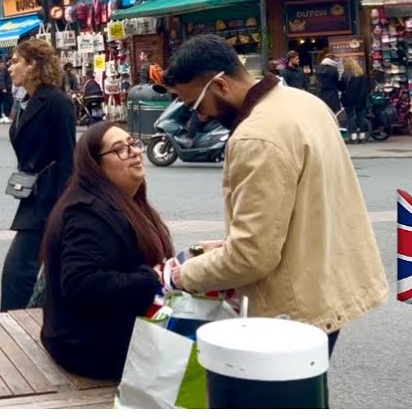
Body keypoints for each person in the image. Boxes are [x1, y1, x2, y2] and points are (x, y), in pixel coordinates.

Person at [163, 34, 387, 361]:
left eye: (195, 106)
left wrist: (183, 275)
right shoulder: (303, 102)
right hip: (326, 284)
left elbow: (251, 256)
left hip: (291, 311)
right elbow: (302, 207)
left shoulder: (255, 136)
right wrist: (228, 245)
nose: (200, 118)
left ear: (221, 86)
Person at [39, 122, 171, 381]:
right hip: (91, 347)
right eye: (119, 150)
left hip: (105, 333)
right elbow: (81, 283)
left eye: (133, 143)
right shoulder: (87, 213)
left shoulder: (124, 202)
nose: (133, 152)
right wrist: (150, 278)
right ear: (96, 167)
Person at [0, 39, 76, 311]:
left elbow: (69, 158)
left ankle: (11, 324)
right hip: (32, 196)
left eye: (16, 61)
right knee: (32, 273)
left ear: (33, 65)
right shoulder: (24, 101)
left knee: (18, 271)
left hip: (50, 199)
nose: (10, 68)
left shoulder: (57, 102)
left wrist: (63, 206)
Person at [340, 57, 370, 143]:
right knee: (360, 116)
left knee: (350, 117)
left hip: (348, 98)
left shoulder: (345, 74)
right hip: (360, 98)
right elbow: (365, 88)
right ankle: (362, 136)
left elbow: (342, 87)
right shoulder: (361, 73)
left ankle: (353, 137)